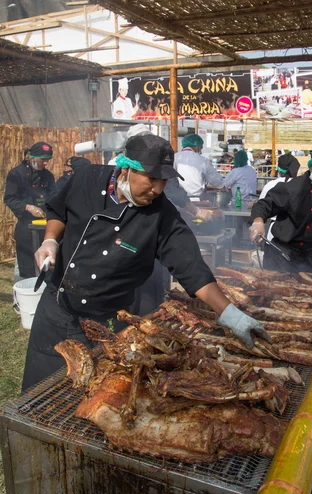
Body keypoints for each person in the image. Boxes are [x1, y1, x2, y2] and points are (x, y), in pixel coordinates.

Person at [22, 134, 270, 390]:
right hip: (57, 310)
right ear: (127, 168)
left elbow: (191, 268)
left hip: (108, 324)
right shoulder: (87, 178)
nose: (158, 189)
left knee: (97, 398)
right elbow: (58, 209)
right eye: (152, 179)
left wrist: (231, 315)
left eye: (163, 180)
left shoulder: (161, 215)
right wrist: (50, 240)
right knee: (38, 392)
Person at [249, 144, 312, 274]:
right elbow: (264, 205)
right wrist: (258, 222)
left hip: (311, 256)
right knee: (274, 292)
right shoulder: (294, 187)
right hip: (282, 254)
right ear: (311, 166)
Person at [4, 142, 55, 280]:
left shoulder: (48, 176)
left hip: (44, 228)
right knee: (26, 269)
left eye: (48, 160)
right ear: (32, 157)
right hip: (26, 227)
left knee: (46, 267)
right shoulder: (17, 174)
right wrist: (28, 207)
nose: (45, 163)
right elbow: (9, 198)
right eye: (42, 159)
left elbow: (53, 197)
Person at [174, 133, 224, 199]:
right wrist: (223, 187)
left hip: (176, 199)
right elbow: (216, 179)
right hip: (196, 199)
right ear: (196, 146)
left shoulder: (174, 157)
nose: (201, 150)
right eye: (201, 147)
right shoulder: (202, 160)